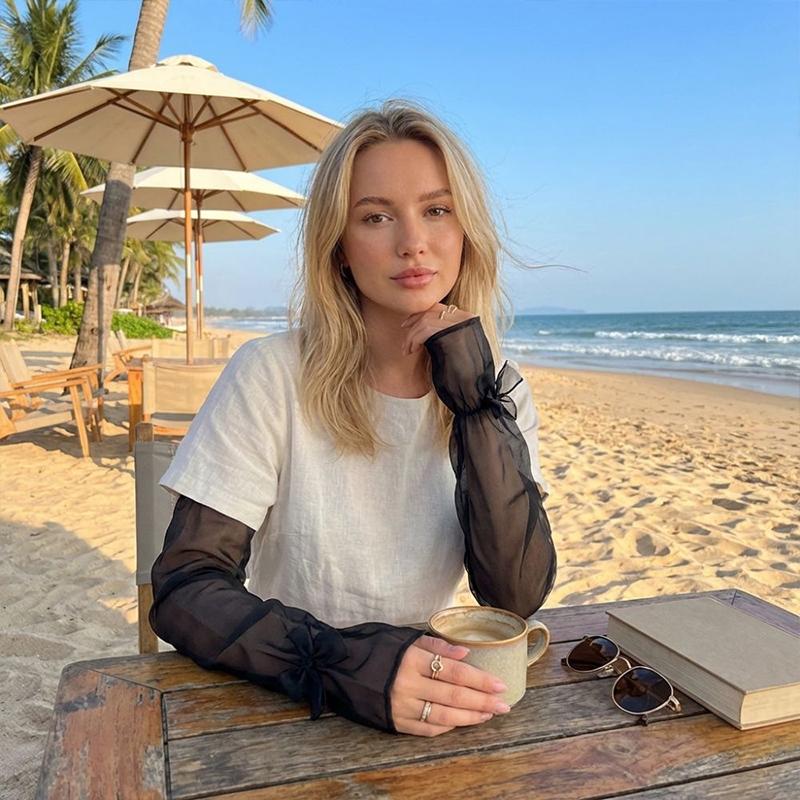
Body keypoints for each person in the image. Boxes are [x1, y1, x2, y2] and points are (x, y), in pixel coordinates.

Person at [150, 100, 557, 737]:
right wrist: (343, 664)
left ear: (466, 230)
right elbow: (186, 587)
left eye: (437, 210)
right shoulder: (271, 373)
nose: (413, 241)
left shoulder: (496, 391)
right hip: (292, 692)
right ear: (339, 248)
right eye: (375, 217)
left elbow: (514, 594)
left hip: (431, 690)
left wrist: (476, 406)